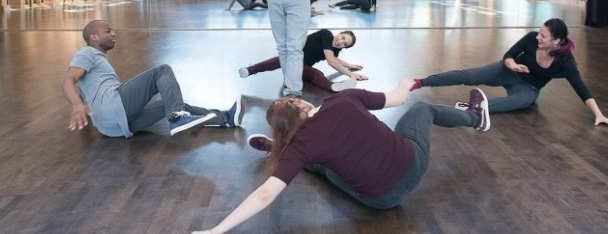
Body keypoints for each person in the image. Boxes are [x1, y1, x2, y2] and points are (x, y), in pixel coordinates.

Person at [191, 80, 491, 234]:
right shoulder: (344, 98)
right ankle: (475, 118)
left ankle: (279, 152)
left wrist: (217, 230)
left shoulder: (301, 145)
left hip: (382, 200)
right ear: (299, 101)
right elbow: (398, 98)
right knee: (423, 109)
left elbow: (266, 195)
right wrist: (404, 84)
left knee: (324, 166)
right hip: (412, 161)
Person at [412, 18, 608, 128]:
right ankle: (421, 82)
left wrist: (599, 115)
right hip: (507, 70)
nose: (538, 37)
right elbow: (509, 54)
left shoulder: (565, 63)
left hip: (528, 87)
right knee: (469, 76)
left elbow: (581, 88)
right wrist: (513, 65)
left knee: (523, 102)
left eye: (544, 36)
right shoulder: (531, 39)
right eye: (539, 33)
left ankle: (473, 109)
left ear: (557, 41)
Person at [62, 20, 243, 138]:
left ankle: (226, 118)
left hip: (112, 127)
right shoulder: (87, 53)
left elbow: (81, 88)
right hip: (113, 105)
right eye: (108, 31)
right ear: (94, 37)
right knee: (162, 71)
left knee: (172, 104)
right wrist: (77, 105)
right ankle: (177, 117)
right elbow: (68, 81)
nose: (113, 34)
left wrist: (83, 107)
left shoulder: (96, 60)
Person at [239, 29, 365, 93]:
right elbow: (331, 61)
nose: (340, 42)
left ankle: (334, 87)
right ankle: (250, 70)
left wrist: (349, 65)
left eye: (344, 44)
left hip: (301, 69)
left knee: (316, 74)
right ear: (340, 33)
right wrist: (350, 74)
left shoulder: (333, 50)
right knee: (283, 59)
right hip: (293, 58)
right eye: (342, 37)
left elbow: (336, 59)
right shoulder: (326, 35)